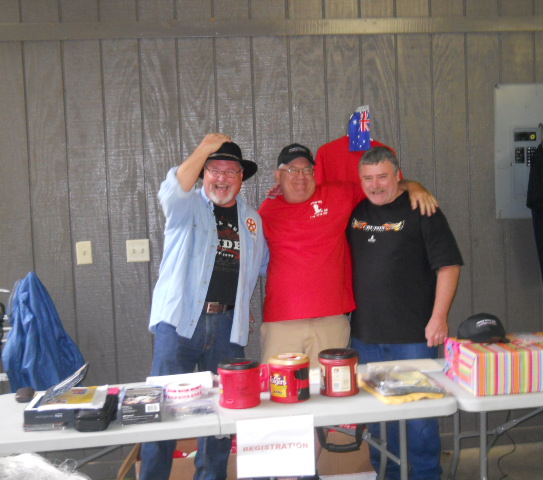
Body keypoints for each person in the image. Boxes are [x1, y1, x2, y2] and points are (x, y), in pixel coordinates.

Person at [140, 134, 269, 480]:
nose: (222, 178)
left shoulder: (252, 221)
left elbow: (261, 267)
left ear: (241, 178)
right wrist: (202, 149)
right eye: (214, 170)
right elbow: (172, 190)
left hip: (227, 328)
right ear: (203, 174)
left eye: (231, 171)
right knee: (162, 412)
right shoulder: (186, 207)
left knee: (222, 419)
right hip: (179, 325)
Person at [258, 143, 437, 368]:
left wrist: (413, 186)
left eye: (306, 170)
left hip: (331, 321)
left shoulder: (338, 194)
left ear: (314, 173)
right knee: (279, 387)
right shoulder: (266, 211)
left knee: (330, 388)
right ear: (278, 175)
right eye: (292, 170)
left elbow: (380, 187)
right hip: (282, 321)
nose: (300, 176)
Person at [347, 146, 463, 480]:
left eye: (383, 176)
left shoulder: (421, 209)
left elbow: (449, 265)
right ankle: (389, 475)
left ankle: (425, 476)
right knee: (379, 421)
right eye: (368, 178)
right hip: (366, 338)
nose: (375, 185)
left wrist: (439, 317)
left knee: (419, 421)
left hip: (413, 337)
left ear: (398, 176)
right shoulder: (355, 211)